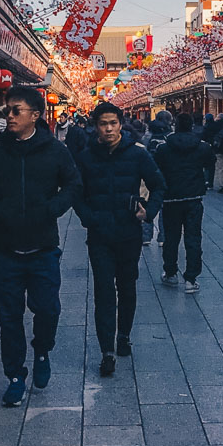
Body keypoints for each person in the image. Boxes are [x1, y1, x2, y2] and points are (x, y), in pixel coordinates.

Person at [0, 86, 81, 407]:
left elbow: (74, 184)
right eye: (6, 111)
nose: (9, 116)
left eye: (16, 110)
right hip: (5, 250)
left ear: (35, 115)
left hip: (44, 248)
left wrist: (51, 209)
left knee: (47, 309)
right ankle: (15, 376)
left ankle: (42, 349)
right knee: (9, 316)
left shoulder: (54, 150)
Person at [72, 102, 164, 376]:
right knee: (102, 291)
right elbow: (76, 191)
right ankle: (106, 352)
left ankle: (123, 334)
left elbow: (159, 184)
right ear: (96, 126)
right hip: (99, 234)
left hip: (128, 233)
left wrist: (148, 213)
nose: (109, 128)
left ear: (120, 124)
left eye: (113, 123)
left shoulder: (137, 155)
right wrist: (88, 217)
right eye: (103, 124)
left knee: (127, 286)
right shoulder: (87, 157)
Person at [152, 112, 213, 292]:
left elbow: (156, 169)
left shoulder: (164, 148)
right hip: (194, 198)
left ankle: (170, 273)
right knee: (193, 237)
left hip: (171, 199)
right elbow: (211, 162)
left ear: (175, 126)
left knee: (171, 238)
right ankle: (191, 279)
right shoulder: (202, 147)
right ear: (191, 126)